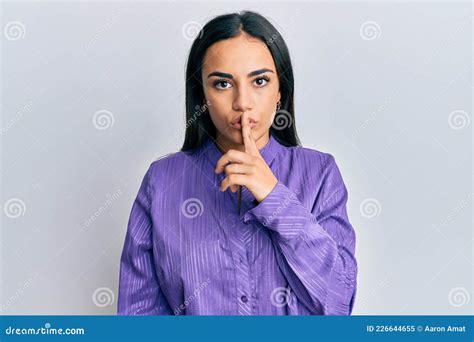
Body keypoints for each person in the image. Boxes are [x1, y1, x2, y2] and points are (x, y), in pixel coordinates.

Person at [117, 10, 357, 315]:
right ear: (200, 95)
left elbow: (338, 304)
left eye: (259, 81)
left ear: (280, 91)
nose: (242, 101)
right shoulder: (162, 181)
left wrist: (275, 197)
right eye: (222, 84)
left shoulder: (320, 174)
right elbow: (137, 316)